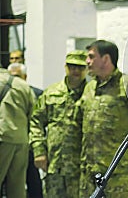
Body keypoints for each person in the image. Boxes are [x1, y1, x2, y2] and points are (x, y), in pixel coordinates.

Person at [79, 40, 128, 197]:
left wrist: (124, 147)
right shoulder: (90, 87)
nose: (87, 61)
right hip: (88, 171)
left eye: (91, 57)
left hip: (116, 173)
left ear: (105, 58)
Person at [29, 50, 88, 198]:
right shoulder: (51, 93)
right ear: (65, 67)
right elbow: (36, 121)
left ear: (86, 69)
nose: (76, 71)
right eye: (72, 66)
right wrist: (39, 151)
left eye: (80, 67)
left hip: (83, 167)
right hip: (55, 165)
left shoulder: (92, 94)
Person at [7, 63, 44, 198]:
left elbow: (36, 118)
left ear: (25, 77)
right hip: (10, 144)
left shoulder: (36, 93)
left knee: (32, 180)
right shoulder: (5, 92)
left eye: (17, 77)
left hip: (28, 145)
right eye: (12, 77)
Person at [0, 67, 35, 198]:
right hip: (21, 140)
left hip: (2, 138)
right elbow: (33, 113)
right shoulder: (23, 85)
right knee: (17, 186)